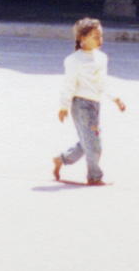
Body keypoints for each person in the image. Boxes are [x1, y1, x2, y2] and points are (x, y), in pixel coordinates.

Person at [52, 17, 126, 185]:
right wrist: (63, 106)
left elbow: (103, 82)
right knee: (94, 143)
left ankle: (61, 159)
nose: (100, 40)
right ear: (82, 38)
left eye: (100, 35)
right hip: (81, 105)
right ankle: (94, 176)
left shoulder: (101, 58)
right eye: (95, 36)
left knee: (87, 140)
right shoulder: (73, 60)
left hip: (95, 104)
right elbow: (68, 85)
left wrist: (116, 98)